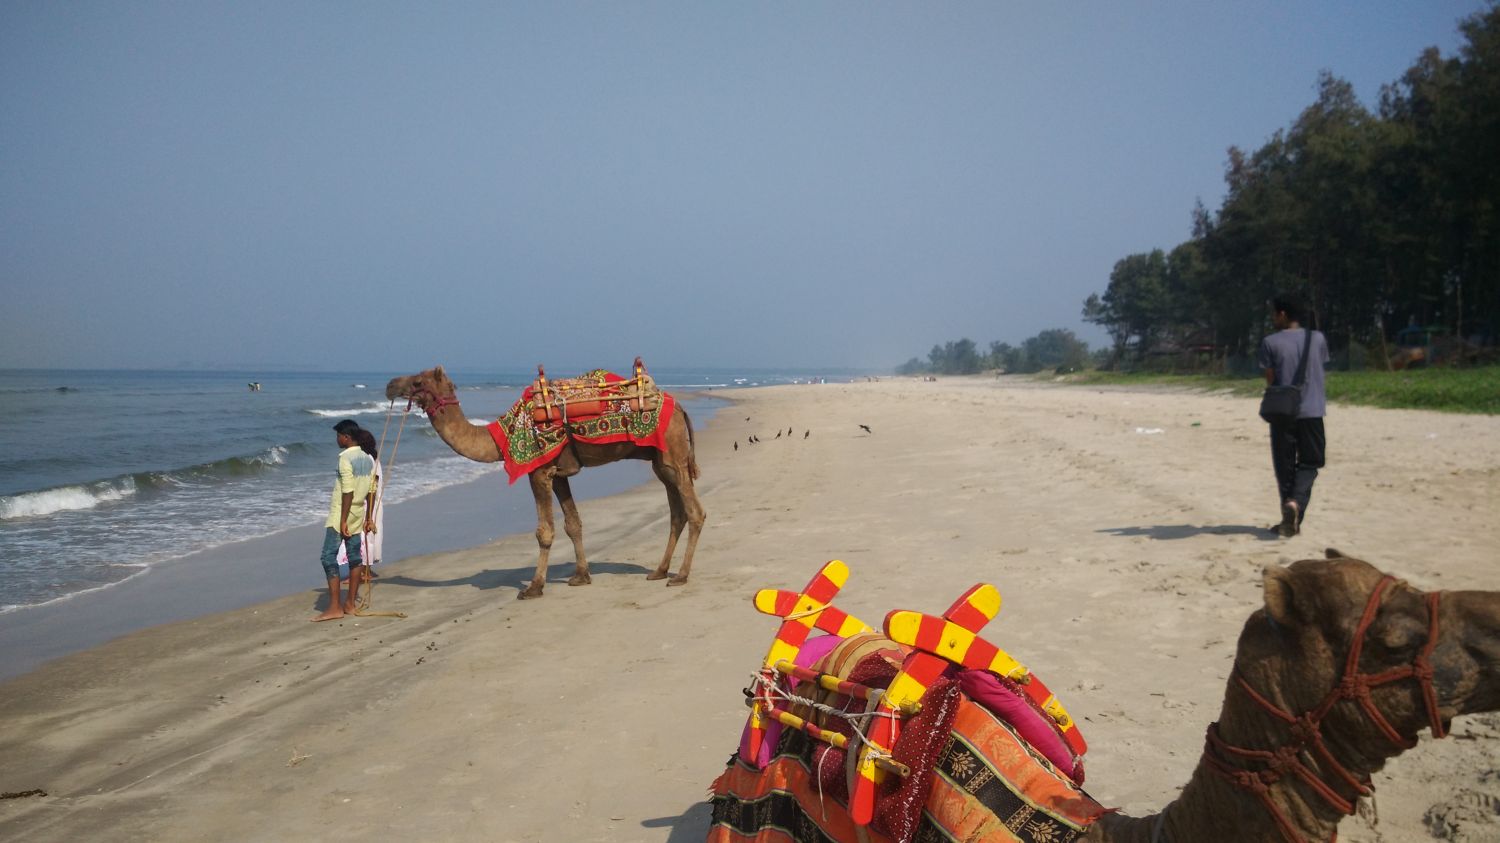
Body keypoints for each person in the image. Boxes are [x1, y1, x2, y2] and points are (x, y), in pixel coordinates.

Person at [1257, 293, 1330, 537]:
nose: (1273, 318)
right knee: (1311, 462)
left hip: (1282, 412)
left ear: (1283, 314)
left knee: (1285, 467)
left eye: (1274, 314)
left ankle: (1289, 513)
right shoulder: (1317, 339)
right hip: (1312, 411)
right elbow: (1319, 367)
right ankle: (1295, 507)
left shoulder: (1270, 342)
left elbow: (1271, 379)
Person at [314, 419, 376, 621]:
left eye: (338, 436)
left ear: (347, 437)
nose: (337, 439)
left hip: (341, 513)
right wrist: (369, 517)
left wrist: (342, 520)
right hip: (358, 513)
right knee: (355, 558)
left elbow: (347, 490)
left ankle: (335, 607)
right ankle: (350, 604)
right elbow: (371, 490)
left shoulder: (345, 458)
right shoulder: (367, 458)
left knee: (328, 557)